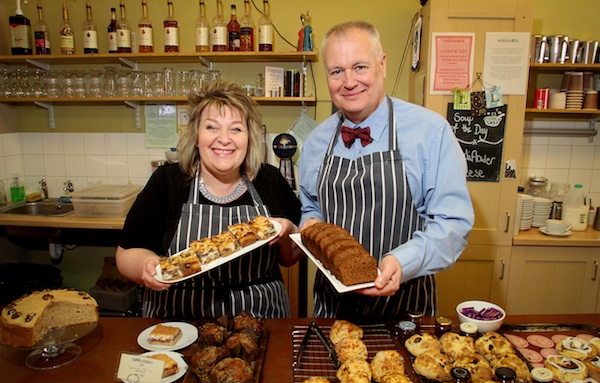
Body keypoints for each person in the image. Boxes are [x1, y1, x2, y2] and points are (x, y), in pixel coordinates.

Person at [298, 21, 474, 319]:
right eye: (336, 71)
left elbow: (453, 224)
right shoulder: (316, 142)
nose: (349, 81)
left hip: (407, 310)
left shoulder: (430, 132)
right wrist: (310, 223)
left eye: (360, 67)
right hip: (332, 311)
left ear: (382, 65)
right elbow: (311, 207)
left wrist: (403, 261)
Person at [116, 80, 302, 319]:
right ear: (196, 135)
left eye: (235, 129)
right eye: (212, 127)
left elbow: (291, 258)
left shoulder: (269, 180)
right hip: (178, 319)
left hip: (260, 319)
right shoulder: (167, 181)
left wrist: (286, 233)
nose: (224, 139)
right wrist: (146, 266)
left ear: (249, 138)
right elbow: (125, 253)